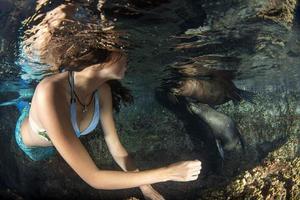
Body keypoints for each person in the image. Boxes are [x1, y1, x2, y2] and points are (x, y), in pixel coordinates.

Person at [14, 1, 202, 199]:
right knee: (27, 106)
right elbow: (94, 178)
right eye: (121, 49)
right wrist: (168, 173)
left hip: (58, 136)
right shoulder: (50, 92)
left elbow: (117, 149)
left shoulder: (102, 92)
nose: (127, 56)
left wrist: (145, 187)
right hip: (31, 145)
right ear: (99, 56)